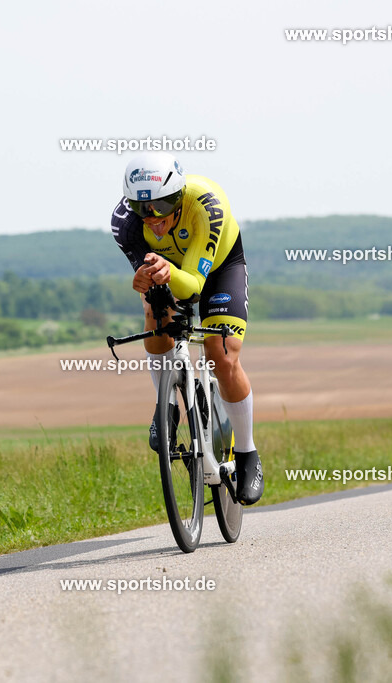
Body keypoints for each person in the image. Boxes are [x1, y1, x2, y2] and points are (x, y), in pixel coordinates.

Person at [110, 152, 263, 505]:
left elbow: (193, 285)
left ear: (178, 197)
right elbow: (151, 279)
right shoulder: (125, 222)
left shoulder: (207, 207)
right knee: (154, 312)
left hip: (218, 268)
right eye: (143, 209)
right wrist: (144, 279)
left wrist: (167, 272)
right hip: (171, 270)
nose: (154, 219)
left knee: (221, 355)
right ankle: (166, 404)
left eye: (163, 206)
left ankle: (247, 453)